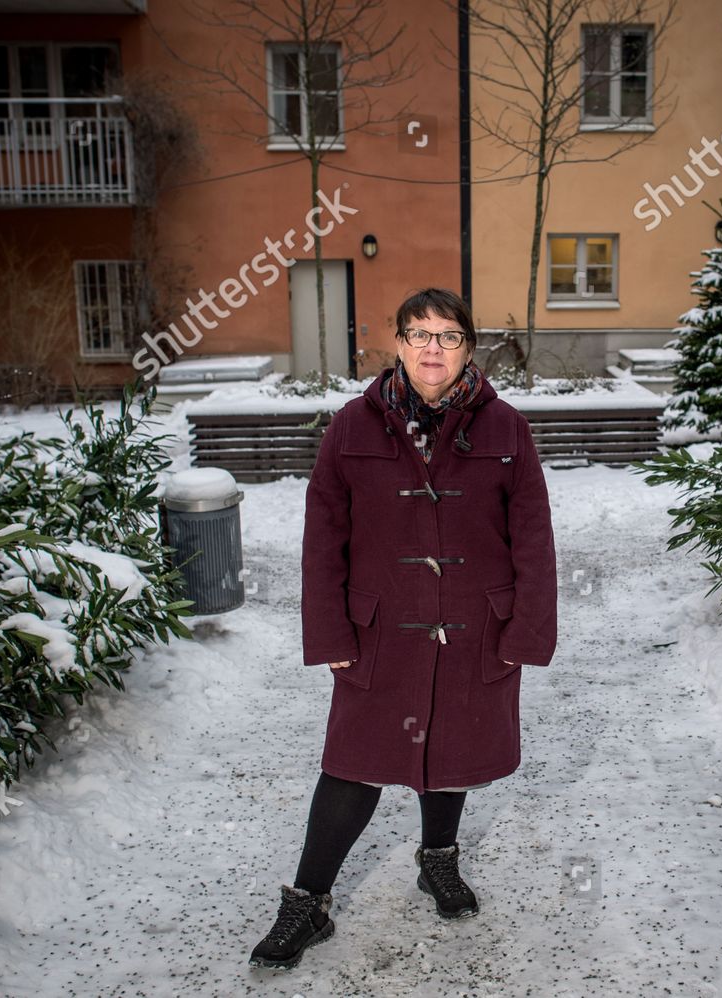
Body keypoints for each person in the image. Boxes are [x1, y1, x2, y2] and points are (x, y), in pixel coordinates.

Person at [248, 287, 559, 970]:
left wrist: (526, 630)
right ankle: (308, 901)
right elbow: (322, 536)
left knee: (453, 746)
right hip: (379, 628)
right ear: (396, 344)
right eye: (418, 333)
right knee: (352, 766)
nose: (432, 348)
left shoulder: (506, 427)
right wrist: (329, 633)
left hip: (475, 622)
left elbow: (532, 535)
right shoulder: (352, 427)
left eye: (447, 336)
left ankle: (437, 859)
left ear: (469, 348)